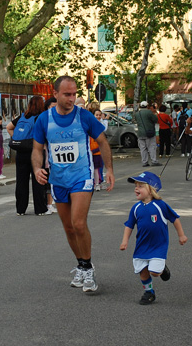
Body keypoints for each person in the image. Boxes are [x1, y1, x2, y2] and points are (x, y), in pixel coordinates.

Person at [32, 76, 115, 293]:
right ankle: (81, 264)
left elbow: (103, 141)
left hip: (82, 176)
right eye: (67, 94)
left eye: (74, 94)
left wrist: (109, 170)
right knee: (68, 227)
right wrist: (37, 169)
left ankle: (88, 267)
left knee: (78, 223)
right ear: (56, 94)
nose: (72, 98)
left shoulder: (84, 116)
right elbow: (37, 148)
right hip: (59, 179)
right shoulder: (44, 119)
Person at [120, 172, 187, 305]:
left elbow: (175, 219)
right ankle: (149, 292)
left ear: (151, 190)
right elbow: (129, 225)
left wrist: (181, 235)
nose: (136, 189)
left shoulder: (160, 205)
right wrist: (125, 241)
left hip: (158, 245)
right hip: (142, 246)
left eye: (140, 186)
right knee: (143, 272)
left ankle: (161, 270)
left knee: (154, 272)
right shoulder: (136, 208)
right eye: (135, 186)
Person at [7, 95, 48, 216]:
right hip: (36, 152)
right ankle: (40, 209)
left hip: (21, 153)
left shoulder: (23, 116)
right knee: (39, 180)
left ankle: (20, 209)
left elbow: (9, 127)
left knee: (21, 181)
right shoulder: (42, 117)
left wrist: (18, 139)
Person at [134, 101, 161, 167]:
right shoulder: (149, 112)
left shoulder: (137, 114)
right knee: (152, 147)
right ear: (147, 106)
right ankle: (154, 161)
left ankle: (144, 162)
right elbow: (155, 119)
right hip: (149, 132)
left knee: (143, 148)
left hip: (140, 133)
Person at [43, 97, 58, 214]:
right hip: (46, 156)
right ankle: (48, 204)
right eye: (52, 107)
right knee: (47, 181)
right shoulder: (43, 120)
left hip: (57, 156)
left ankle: (51, 203)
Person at [90, 109, 104, 191]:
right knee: (91, 169)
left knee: (96, 169)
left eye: (99, 115)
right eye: (96, 115)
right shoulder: (90, 126)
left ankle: (97, 183)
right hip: (90, 151)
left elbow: (102, 141)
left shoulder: (100, 126)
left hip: (96, 151)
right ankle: (93, 183)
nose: (98, 116)